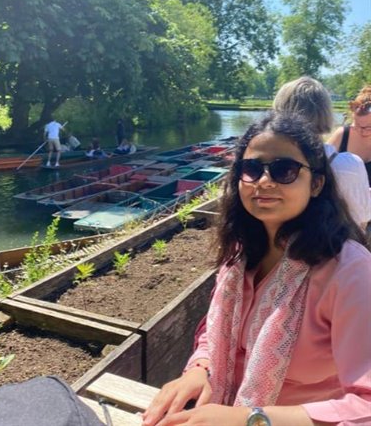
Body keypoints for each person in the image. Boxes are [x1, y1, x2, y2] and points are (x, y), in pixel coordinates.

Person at [142, 114, 371, 426]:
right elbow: (213, 331)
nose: (264, 181)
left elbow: (365, 405)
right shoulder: (240, 254)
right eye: (251, 169)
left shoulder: (348, 271)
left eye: (284, 170)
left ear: (316, 183)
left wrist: (252, 420)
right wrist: (199, 370)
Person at [273, 76, 371, 229]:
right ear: (326, 113)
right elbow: (361, 222)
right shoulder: (350, 164)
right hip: (334, 248)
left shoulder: (261, 166)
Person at [328, 85, 371, 186]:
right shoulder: (342, 135)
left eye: (368, 127)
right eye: (357, 125)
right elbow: (319, 166)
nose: (362, 132)